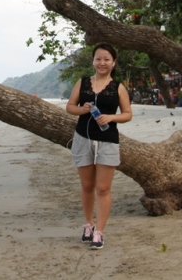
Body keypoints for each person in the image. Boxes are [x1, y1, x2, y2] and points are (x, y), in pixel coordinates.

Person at [65, 43, 132, 250]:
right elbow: (69, 107)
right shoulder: (83, 83)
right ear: (93, 61)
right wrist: (82, 110)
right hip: (82, 138)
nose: (102, 63)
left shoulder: (118, 87)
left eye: (106, 59)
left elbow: (128, 114)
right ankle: (88, 225)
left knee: (103, 188)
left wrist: (110, 117)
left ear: (113, 63)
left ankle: (100, 232)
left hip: (108, 139)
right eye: (98, 59)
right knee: (87, 186)